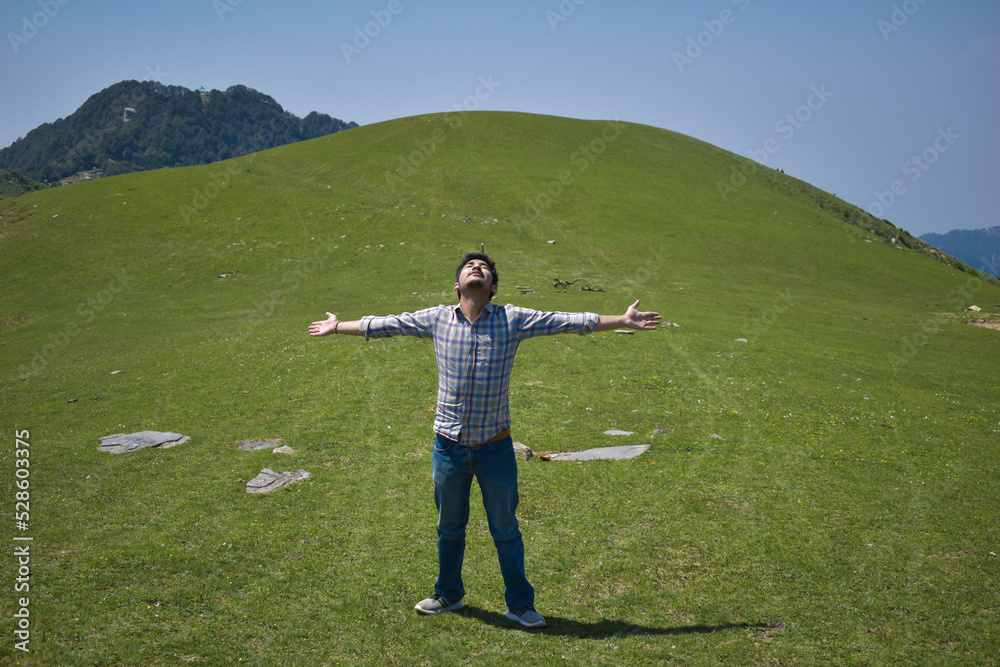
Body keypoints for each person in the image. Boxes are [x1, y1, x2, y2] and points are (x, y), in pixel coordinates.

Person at [308, 252, 660, 628]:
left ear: (492, 288)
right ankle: (448, 594)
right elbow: (386, 324)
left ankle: (520, 605)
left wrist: (621, 320)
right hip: (449, 447)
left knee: (506, 530)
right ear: (457, 285)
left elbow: (568, 321)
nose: (476, 268)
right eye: (469, 266)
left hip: (496, 448)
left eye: (484, 268)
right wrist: (338, 326)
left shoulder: (512, 319)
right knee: (449, 527)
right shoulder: (437, 318)